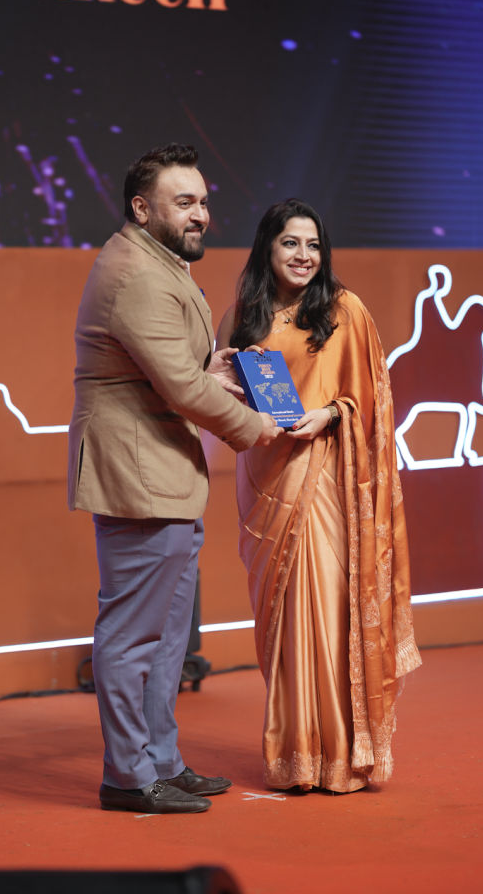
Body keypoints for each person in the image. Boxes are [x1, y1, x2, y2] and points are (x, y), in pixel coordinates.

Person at [67, 143, 281, 815]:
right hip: (140, 478)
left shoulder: (160, 262)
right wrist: (257, 427)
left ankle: (160, 761)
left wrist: (211, 369)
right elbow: (182, 389)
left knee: (164, 640)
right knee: (133, 636)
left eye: (204, 202)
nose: (200, 215)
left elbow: (177, 370)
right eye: (184, 202)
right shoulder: (136, 272)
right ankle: (128, 777)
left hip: (165, 473)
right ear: (142, 208)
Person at [216, 198, 421, 793]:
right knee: (282, 624)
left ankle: (337, 757)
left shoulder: (343, 310)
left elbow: (373, 398)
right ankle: (294, 753)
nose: (303, 255)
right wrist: (224, 385)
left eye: (313, 245)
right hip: (264, 478)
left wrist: (330, 414)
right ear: (267, 247)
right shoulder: (242, 315)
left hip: (326, 476)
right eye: (290, 243)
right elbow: (223, 402)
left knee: (328, 611)